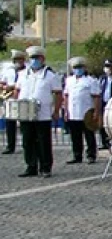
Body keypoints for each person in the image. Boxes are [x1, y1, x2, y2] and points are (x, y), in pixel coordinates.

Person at [14, 46, 62, 178]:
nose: (34, 60)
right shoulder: (23, 74)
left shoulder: (50, 76)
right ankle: (31, 166)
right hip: (25, 112)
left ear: (43, 59)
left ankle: (46, 167)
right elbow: (17, 91)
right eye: (32, 58)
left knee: (43, 141)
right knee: (27, 141)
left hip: (43, 114)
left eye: (37, 58)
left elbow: (58, 94)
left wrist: (56, 110)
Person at [63, 56, 101, 165]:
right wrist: (66, 111)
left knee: (89, 135)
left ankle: (91, 155)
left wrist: (96, 112)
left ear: (84, 68)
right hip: (73, 112)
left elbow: (96, 97)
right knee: (75, 136)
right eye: (75, 67)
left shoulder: (91, 81)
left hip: (86, 112)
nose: (78, 69)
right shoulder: (69, 80)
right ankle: (77, 155)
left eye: (80, 67)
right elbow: (66, 96)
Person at [2, 49, 27, 154]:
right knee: (10, 124)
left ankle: (27, 145)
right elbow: (2, 83)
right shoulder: (8, 71)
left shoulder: (27, 71)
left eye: (20, 59)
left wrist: (14, 87)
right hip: (10, 98)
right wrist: (6, 88)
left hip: (23, 99)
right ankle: (10, 146)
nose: (18, 61)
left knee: (25, 125)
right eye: (16, 59)